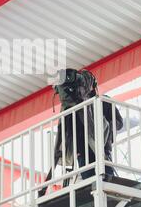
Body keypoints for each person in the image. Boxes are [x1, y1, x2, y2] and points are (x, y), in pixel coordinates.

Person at [39, 69, 123, 197]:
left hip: (95, 152)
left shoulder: (99, 102)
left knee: (103, 186)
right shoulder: (74, 107)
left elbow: (117, 123)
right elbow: (118, 123)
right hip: (86, 152)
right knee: (97, 187)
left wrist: (105, 128)